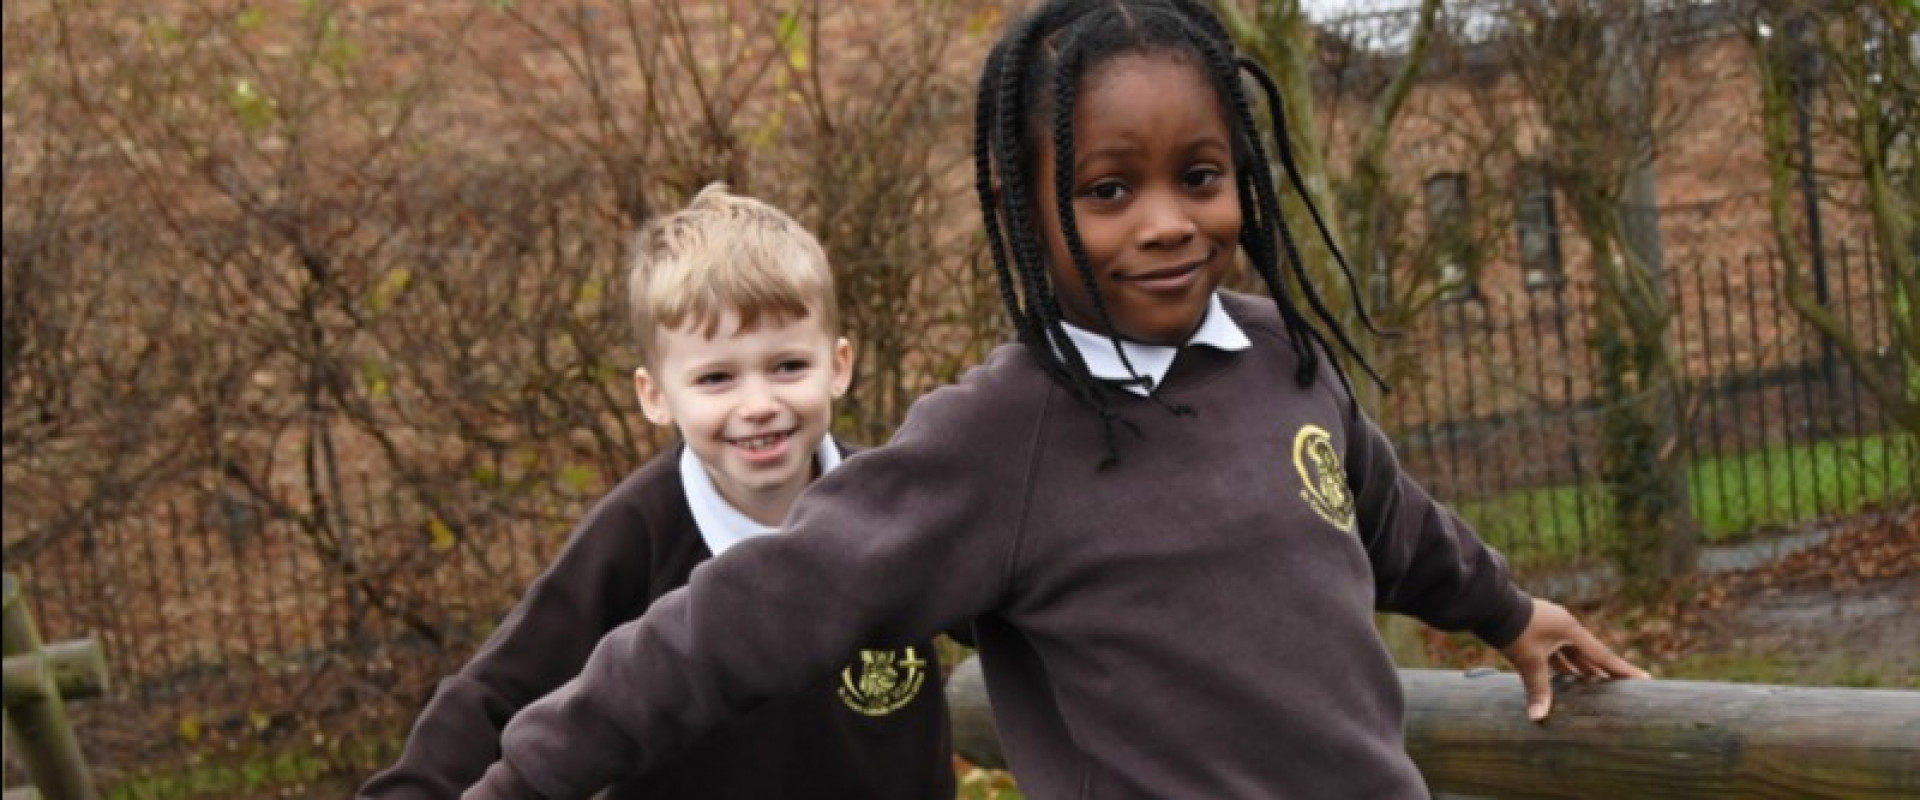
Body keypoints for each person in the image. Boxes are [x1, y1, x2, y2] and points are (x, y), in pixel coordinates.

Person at [464, 1, 1649, 797]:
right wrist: (525, 777)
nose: (1168, 222)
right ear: (1025, 208)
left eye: (1200, 176)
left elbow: (1385, 515)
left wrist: (1506, 608)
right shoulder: (1002, 435)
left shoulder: (1280, 355)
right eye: (1108, 190)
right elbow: (743, 613)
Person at [359, 183, 954, 799]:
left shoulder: (894, 507)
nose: (758, 404)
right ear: (655, 395)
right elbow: (499, 692)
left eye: (787, 367)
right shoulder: (637, 533)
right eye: (716, 378)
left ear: (839, 365)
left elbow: (1008, 586)